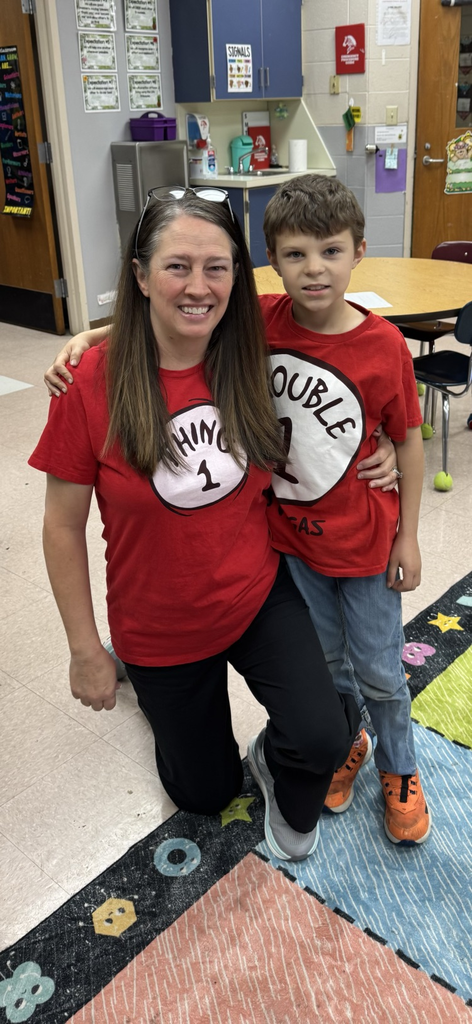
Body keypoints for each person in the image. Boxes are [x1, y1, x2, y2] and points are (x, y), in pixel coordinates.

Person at [30, 184, 363, 864]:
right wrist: (85, 651)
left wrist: (386, 443)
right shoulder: (90, 383)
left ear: (238, 276)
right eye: (176, 266)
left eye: (217, 267)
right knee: (206, 793)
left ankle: (272, 757)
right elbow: (61, 527)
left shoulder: (253, 340)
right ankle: (144, 684)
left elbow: (354, 349)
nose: (198, 287)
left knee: (325, 738)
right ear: (139, 274)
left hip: (256, 595)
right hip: (159, 627)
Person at [260, 174, 429, 846]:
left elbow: (408, 441)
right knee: (329, 665)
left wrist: (408, 536)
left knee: (381, 671)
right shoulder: (261, 321)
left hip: (365, 548)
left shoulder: (382, 345)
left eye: (330, 251)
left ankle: (400, 768)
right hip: (294, 544)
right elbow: (173, 315)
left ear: (359, 250)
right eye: (296, 254)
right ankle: (348, 740)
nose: (314, 269)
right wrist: (88, 342)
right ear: (273, 260)